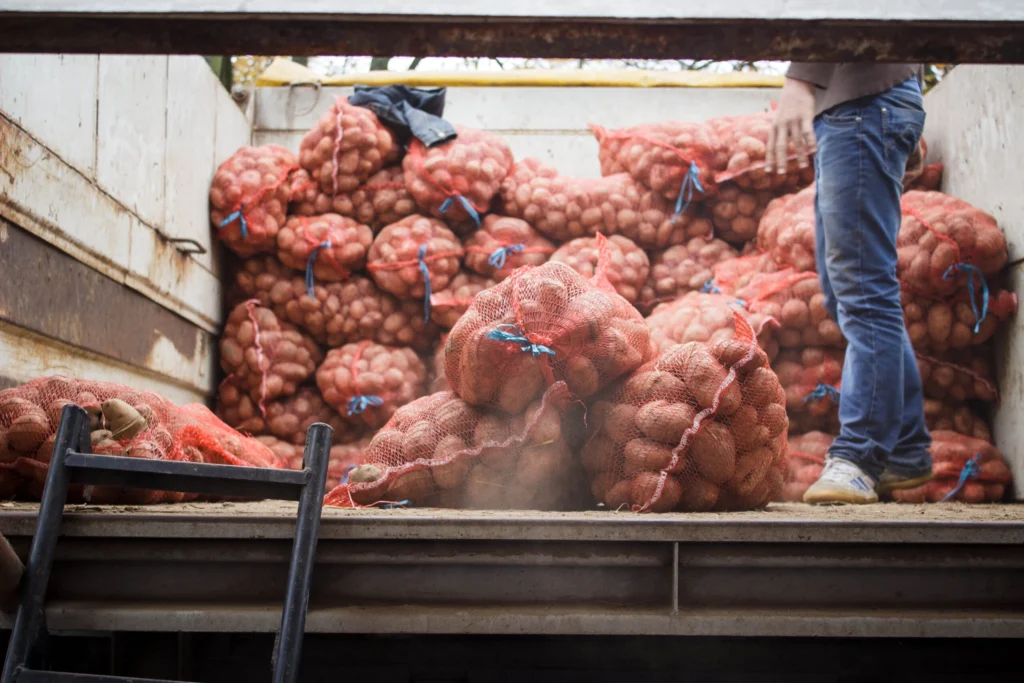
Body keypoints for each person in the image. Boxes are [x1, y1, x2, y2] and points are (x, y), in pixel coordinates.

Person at [767, 64, 933, 504]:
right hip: (860, 108)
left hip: (862, 107)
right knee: (846, 290)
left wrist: (801, 79)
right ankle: (905, 447)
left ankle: (859, 457)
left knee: (863, 291)